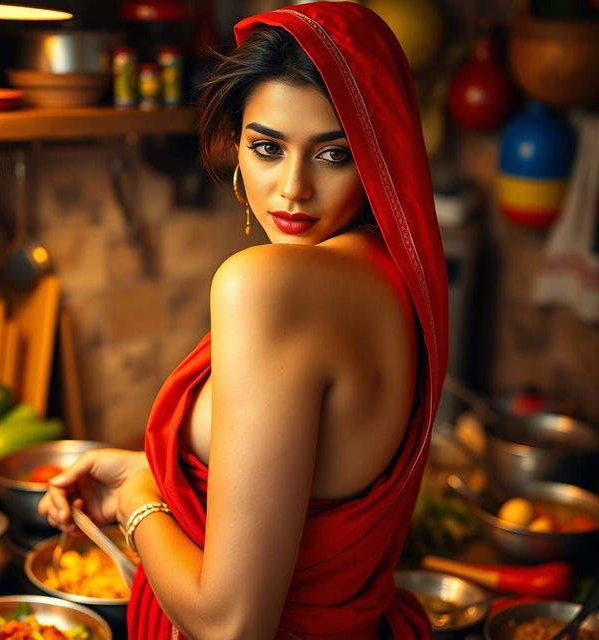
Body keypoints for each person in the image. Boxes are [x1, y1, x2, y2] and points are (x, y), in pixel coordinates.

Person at [38, 2, 448, 639]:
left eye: (334, 156)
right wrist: (139, 468)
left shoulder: (266, 284)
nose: (291, 190)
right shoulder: (393, 279)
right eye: (267, 148)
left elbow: (231, 624)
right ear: (236, 145)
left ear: (377, 154)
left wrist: (139, 498)